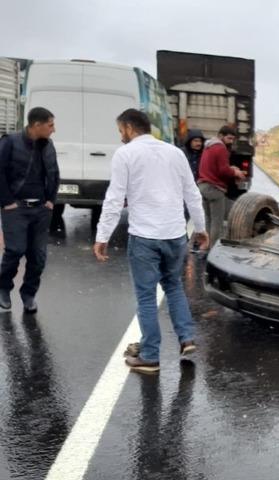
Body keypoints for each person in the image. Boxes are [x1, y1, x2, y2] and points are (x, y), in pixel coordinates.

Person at [93, 109, 209, 374]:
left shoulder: (126, 154)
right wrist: (200, 228)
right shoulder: (175, 153)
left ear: (128, 128)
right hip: (175, 234)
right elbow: (192, 193)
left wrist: (103, 236)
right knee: (174, 287)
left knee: (146, 297)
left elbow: (114, 199)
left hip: (145, 236)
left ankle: (149, 356)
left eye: (120, 129)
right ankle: (186, 338)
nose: (120, 135)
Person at [0, 107, 60, 312]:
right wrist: (7, 201)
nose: (53, 129)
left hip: (41, 210)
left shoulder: (48, 145)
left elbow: (54, 173)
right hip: (15, 209)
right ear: (37, 125)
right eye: (50, 125)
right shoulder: (10, 142)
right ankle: (3, 288)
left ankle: (28, 295)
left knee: (38, 257)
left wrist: (51, 200)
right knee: (15, 250)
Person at [197, 126, 246, 249]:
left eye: (233, 139)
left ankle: (206, 247)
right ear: (220, 136)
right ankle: (213, 251)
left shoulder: (208, 147)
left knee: (208, 220)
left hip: (203, 186)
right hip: (214, 189)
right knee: (217, 223)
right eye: (229, 138)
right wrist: (236, 173)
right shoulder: (220, 148)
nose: (231, 141)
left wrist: (231, 169)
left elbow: (215, 167)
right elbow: (223, 171)